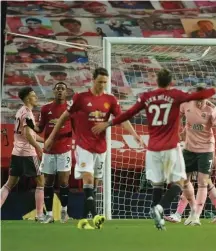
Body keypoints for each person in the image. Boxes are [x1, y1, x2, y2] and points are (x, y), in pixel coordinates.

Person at [92, 69, 216, 230]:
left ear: (156, 81)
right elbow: (197, 96)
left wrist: (109, 123)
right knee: (180, 182)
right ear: (170, 82)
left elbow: (129, 113)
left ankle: (164, 215)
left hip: (153, 149)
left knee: (158, 185)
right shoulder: (176, 95)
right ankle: (166, 208)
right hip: (171, 148)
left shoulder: (146, 97)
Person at [44, 68, 143, 230]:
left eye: (105, 82)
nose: (102, 85)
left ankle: (83, 220)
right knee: (88, 180)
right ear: (93, 80)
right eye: (100, 82)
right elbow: (64, 116)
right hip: (84, 146)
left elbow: (121, 118)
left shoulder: (110, 100)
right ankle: (96, 215)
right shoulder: (81, 98)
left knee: (94, 185)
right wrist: (51, 137)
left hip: (101, 147)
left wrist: (134, 134)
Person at [165, 88, 216, 225]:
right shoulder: (186, 104)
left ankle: (195, 215)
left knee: (203, 181)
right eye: (198, 100)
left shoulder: (212, 110)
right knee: (184, 180)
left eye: (203, 100)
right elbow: (178, 118)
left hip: (206, 149)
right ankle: (206, 210)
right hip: (189, 149)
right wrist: (181, 131)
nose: (200, 104)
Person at [25, 82, 72, 223]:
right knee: (48, 182)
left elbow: (77, 127)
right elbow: (40, 128)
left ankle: (64, 211)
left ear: (66, 92)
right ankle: (50, 214)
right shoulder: (46, 109)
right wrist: (32, 126)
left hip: (65, 150)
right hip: (49, 151)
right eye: (57, 89)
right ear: (54, 91)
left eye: (62, 89)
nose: (60, 91)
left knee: (64, 181)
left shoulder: (71, 109)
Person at [0, 87, 45, 221]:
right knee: (41, 181)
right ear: (27, 98)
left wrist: (44, 140)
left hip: (16, 152)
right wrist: (39, 147)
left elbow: (30, 134)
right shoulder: (27, 114)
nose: (36, 98)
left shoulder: (21, 111)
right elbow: (28, 136)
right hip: (27, 153)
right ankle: (39, 215)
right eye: (33, 95)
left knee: (9, 184)